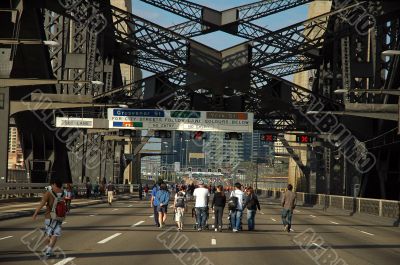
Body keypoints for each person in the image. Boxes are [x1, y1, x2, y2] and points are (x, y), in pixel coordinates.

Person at [32, 179, 66, 258]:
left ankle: (48, 250)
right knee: (55, 234)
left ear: (54, 184)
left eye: (52, 184)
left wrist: (35, 213)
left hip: (49, 216)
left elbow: (42, 204)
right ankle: (49, 250)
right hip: (60, 216)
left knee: (48, 234)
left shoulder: (49, 193)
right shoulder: (63, 192)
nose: (51, 186)